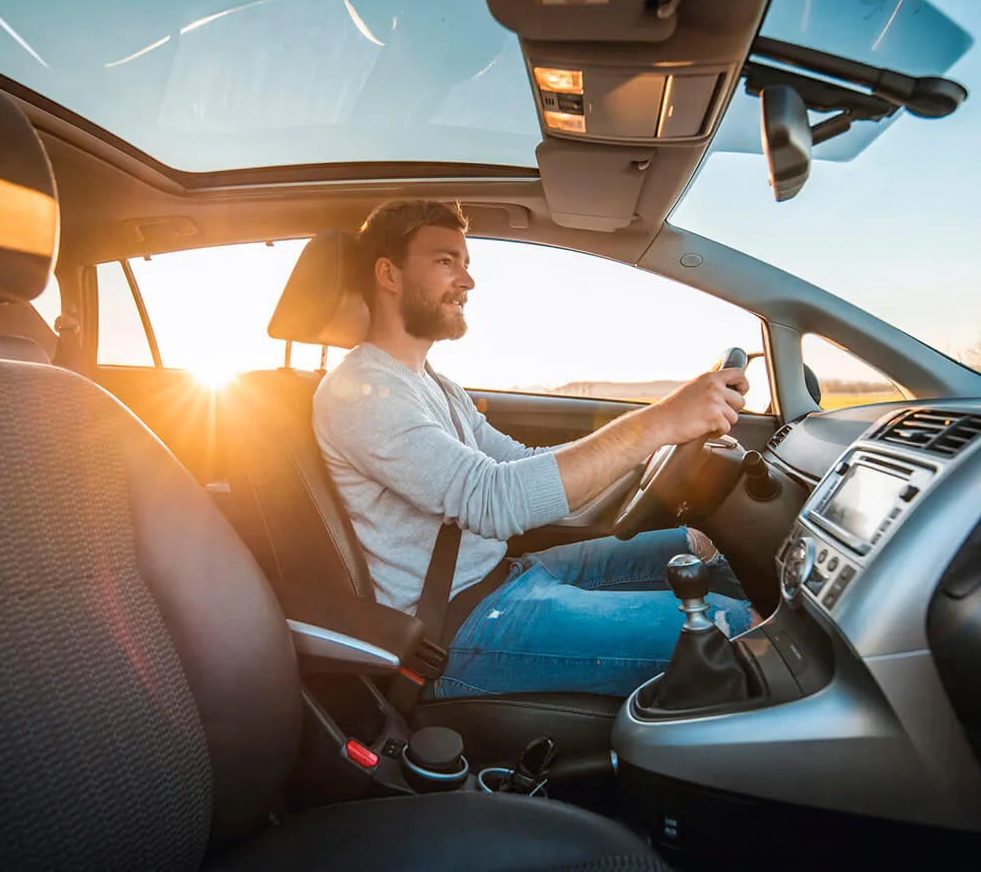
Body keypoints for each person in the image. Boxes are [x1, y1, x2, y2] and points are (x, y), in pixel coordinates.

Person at [313, 200, 754, 698]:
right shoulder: (360, 394)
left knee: (699, 546)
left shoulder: (434, 384)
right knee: (742, 633)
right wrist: (660, 422)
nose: (467, 281)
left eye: (465, 264)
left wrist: (645, 450)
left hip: (501, 576)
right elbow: (492, 499)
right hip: (460, 624)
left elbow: (519, 462)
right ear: (388, 274)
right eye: (445, 261)